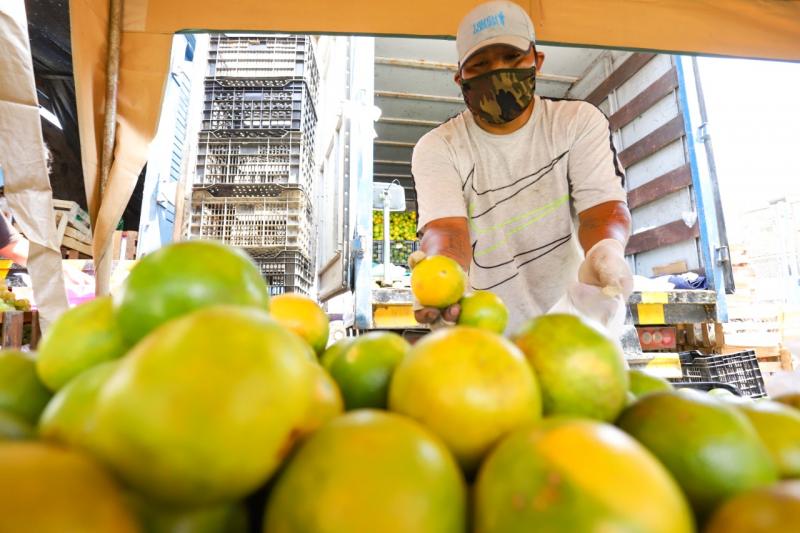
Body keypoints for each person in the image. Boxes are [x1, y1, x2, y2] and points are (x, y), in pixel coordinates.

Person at [411, 0, 633, 332]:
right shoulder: (439, 146)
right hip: (480, 334)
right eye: (480, 64)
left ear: (536, 60)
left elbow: (602, 210)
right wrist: (443, 271)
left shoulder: (576, 123)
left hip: (576, 328)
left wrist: (605, 250)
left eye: (511, 57)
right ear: (461, 78)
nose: (497, 71)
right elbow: (446, 230)